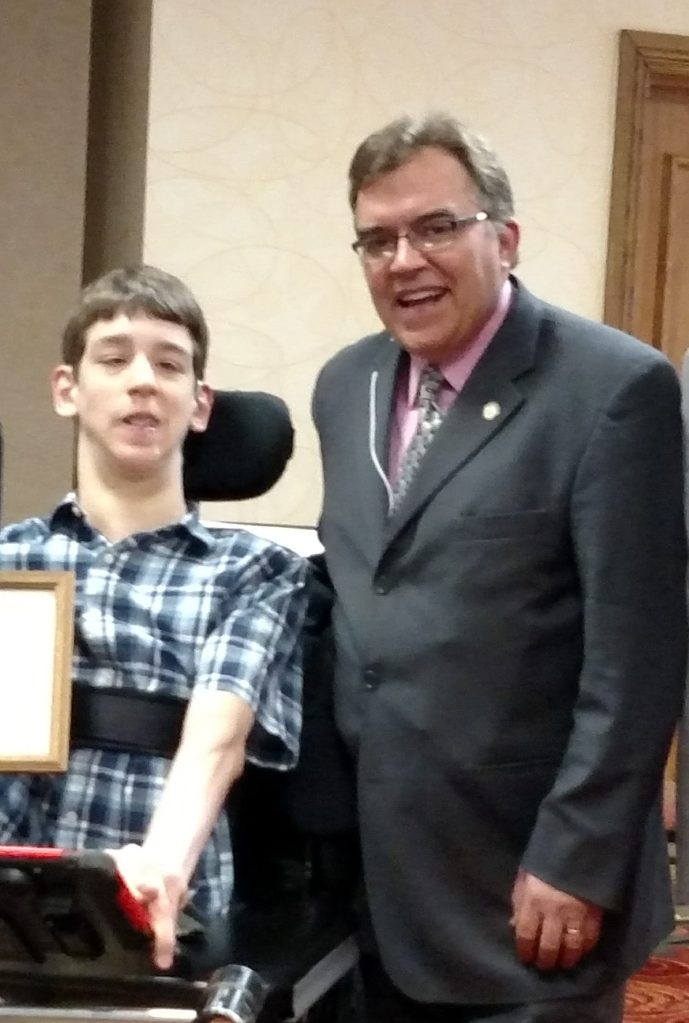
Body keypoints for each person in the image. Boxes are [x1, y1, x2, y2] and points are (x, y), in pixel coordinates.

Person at [311, 113, 688, 1022]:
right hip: (366, 884)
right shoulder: (343, 385)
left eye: (436, 227)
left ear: (504, 238)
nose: (404, 259)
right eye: (377, 238)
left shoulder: (614, 390)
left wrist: (576, 854)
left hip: (526, 897)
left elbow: (636, 658)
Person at [0, 265, 309, 973]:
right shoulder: (12, 559)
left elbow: (218, 739)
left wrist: (157, 869)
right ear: (67, 389)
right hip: (12, 906)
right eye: (113, 358)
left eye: (168, 364)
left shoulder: (253, 571)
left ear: (199, 403)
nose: (142, 379)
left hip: (168, 907)